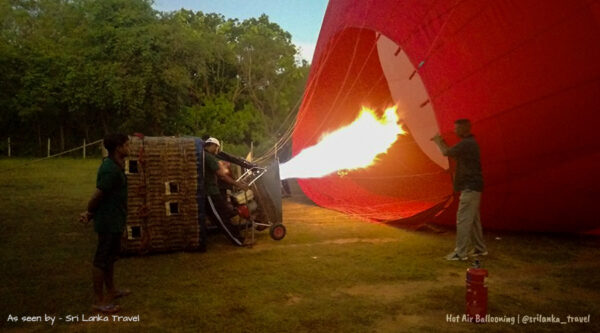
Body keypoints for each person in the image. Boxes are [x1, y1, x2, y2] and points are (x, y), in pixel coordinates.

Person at [79, 133, 131, 313]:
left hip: (115, 218)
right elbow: (98, 195)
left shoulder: (116, 165)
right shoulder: (110, 169)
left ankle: (112, 290)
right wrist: (89, 211)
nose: (128, 148)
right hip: (108, 221)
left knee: (110, 257)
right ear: (118, 147)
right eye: (126, 145)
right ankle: (99, 301)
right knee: (101, 259)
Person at [431, 119, 487, 261]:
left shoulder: (466, 144)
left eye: (456, 129)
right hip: (474, 187)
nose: (454, 131)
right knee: (473, 220)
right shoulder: (470, 144)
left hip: (470, 187)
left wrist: (438, 141)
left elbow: (446, 152)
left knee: (463, 219)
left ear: (463, 129)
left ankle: (460, 253)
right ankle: (480, 249)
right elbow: (456, 157)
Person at [203, 137, 248, 246]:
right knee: (223, 217)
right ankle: (238, 240)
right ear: (213, 146)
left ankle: (236, 236)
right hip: (210, 193)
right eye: (216, 147)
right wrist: (238, 184)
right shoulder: (209, 157)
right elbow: (222, 176)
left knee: (219, 217)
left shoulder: (203, 156)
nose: (217, 150)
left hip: (209, 192)